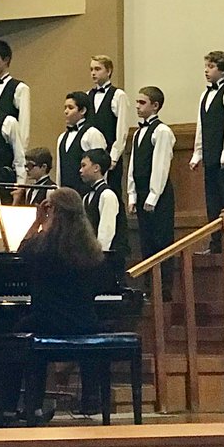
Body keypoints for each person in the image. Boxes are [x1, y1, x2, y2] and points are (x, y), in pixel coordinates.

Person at [0, 187, 106, 425]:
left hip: (47, 322)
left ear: (52, 211)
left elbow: (20, 252)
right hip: (85, 324)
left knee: (8, 338)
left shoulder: (41, 247)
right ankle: (83, 400)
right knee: (28, 328)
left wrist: (37, 222)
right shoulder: (92, 249)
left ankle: (10, 408)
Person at [188, 50, 224, 253]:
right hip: (211, 156)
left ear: (223, 69)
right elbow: (201, 126)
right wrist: (198, 153)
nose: (206, 70)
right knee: (212, 200)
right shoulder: (205, 95)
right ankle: (216, 243)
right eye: (206, 66)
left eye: (211, 66)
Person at [129, 87, 177, 302]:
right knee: (146, 242)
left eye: (142, 102)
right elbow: (133, 166)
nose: (138, 107)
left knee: (161, 240)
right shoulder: (139, 132)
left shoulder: (162, 131)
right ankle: (149, 287)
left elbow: (160, 166)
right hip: (141, 193)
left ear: (155, 106)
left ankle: (163, 289)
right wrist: (132, 194)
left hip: (158, 195)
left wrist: (153, 195)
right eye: (137, 102)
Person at [79, 148, 131, 269]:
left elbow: (106, 230)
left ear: (96, 168)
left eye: (84, 166)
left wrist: (99, 258)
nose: (80, 170)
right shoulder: (86, 197)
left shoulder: (107, 195)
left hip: (107, 259)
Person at [88, 55, 131, 196]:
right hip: (91, 159)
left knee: (113, 194)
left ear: (109, 71)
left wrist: (113, 158)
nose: (93, 73)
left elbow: (122, 130)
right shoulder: (87, 95)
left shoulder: (118, 95)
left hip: (110, 156)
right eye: (91, 69)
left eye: (98, 69)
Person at [55, 91, 106, 192]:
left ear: (82, 110)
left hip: (86, 193)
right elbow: (59, 171)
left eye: (70, 108)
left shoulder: (92, 134)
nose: (66, 111)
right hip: (67, 195)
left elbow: (101, 168)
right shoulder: (61, 138)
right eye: (65, 108)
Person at [0, 39, 31, 147]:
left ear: (6, 60)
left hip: (8, 147)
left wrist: (21, 154)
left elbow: (24, 125)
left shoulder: (20, 88)